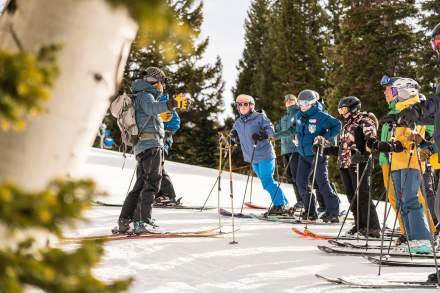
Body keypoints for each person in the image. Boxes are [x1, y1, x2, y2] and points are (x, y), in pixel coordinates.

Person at [116, 67, 184, 235]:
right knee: (152, 183)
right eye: (163, 83)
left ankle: (125, 221)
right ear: (156, 82)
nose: (163, 87)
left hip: (143, 146)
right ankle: (142, 221)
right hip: (151, 145)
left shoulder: (140, 95)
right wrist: (171, 104)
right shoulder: (145, 95)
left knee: (140, 184)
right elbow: (152, 108)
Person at [368, 76, 432, 254]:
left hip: (410, 160)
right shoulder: (399, 110)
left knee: (411, 199)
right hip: (396, 161)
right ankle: (412, 239)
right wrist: (387, 144)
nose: (392, 94)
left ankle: (423, 239)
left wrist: (399, 143)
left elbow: (416, 133)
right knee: (402, 201)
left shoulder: (415, 108)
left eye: (395, 90)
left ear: (405, 91)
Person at [231, 94, 289, 215]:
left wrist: (263, 135)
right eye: (239, 104)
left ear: (251, 106)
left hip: (265, 155)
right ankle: (283, 202)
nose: (242, 106)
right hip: (252, 158)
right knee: (266, 182)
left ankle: (280, 205)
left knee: (267, 182)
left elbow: (271, 130)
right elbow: (234, 134)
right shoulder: (238, 123)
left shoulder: (260, 117)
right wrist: (232, 138)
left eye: (245, 104)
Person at [335, 96, 381, 237]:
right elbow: (343, 146)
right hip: (345, 164)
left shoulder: (364, 120)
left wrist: (364, 153)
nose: (342, 112)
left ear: (353, 108)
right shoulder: (347, 124)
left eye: (344, 109)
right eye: (340, 109)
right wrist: (326, 149)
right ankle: (360, 225)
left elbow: (371, 140)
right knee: (352, 197)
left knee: (362, 195)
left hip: (360, 162)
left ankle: (372, 228)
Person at [295, 89, 341, 222]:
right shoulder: (298, 115)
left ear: (312, 103)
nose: (303, 106)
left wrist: (323, 137)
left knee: (322, 182)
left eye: (306, 103)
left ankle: (333, 211)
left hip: (317, 154)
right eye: (300, 103)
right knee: (300, 182)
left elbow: (337, 125)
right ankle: (310, 211)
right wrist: (296, 137)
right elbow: (298, 130)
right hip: (303, 154)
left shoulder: (320, 116)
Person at [273, 94, 303, 209]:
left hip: (295, 149)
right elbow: (277, 130)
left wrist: (276, 135)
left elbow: (293, 130)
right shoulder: (284, 117)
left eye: (292, 100)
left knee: (297, 176)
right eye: (287, 100)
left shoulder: (298, 113)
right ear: (285, 103)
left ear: (296, 101)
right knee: (290, 177)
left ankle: (303, 200)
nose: (289, 102)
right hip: (285, 149)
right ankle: (299, 200)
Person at [154, 94, 181, 206]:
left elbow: (176, 121)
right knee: (153, 168)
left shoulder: (166, 102)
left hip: (163, 141)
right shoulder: (151, 102)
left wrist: (168, 132)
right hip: (152, 140)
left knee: (158, 167)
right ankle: (159, 195)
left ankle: (169, 195)